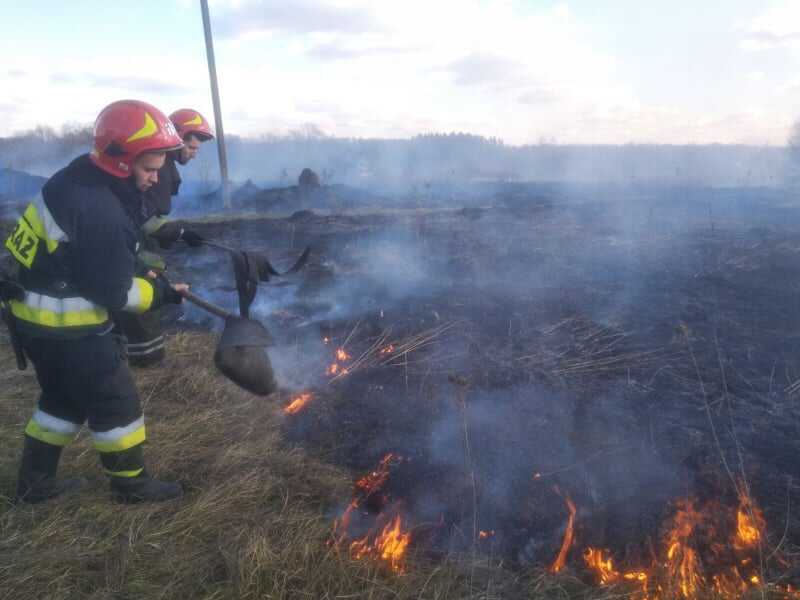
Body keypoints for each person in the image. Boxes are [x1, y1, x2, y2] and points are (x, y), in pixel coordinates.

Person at [4, 99, 188, 503]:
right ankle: (133, 487)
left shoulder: (77, 177)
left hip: (30, 318)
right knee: (116, 402)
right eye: (149, 169)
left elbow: (82, 253)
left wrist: (132, 261)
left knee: (61, 400)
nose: (155, 180)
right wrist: (161, 293)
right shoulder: (100, 209)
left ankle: (34, 485)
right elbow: (114, 294)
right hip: (67, 326)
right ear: (121, 162)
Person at [118, 108, 213, 366]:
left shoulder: (159, 164)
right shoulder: (162, 167)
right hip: (136, 245)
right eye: (193, 148)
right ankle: (147, 360)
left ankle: (126, 353)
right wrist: (180, 233)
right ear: (179, 138)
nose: (194, 155)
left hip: (133, 242)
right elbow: (146, 219)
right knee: (144, 290)